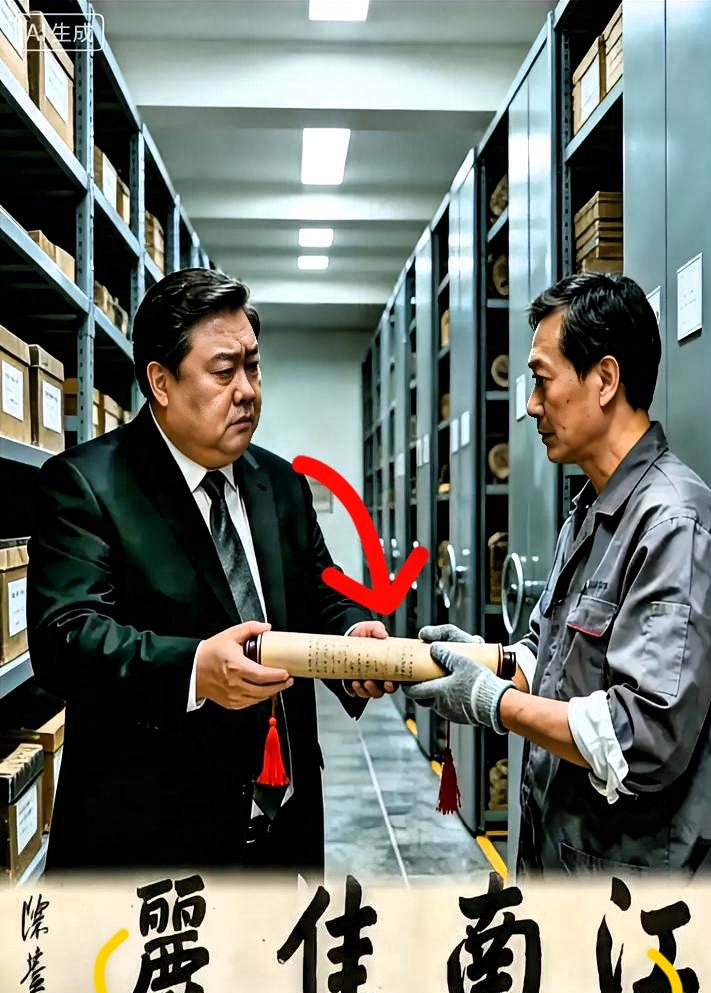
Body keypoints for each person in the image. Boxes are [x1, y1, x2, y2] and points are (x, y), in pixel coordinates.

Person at [28, 268, 392, 877]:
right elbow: (66, 638)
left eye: (254, 366)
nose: (247, 390)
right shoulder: (87, 485)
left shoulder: (279, 482)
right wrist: (194, 668)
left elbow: (319, 588)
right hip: (154, 840)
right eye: (224, 372)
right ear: (161, 382)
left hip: (282, 828)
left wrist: (354, 636)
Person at [405, 272, 711, 874]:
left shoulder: (672, 523)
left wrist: (495, 703)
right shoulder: (590, 512)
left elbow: (643, 736)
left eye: (542, 380)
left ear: (605, 380)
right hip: (561, 858)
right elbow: (554, 658)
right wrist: (490, 661)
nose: (530, 405)